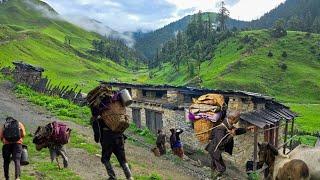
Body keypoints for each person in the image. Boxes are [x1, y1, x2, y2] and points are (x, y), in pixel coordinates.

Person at [90, 96, 133, 180]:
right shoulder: (115, 115)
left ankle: (112, 176)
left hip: (107, 139)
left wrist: (97, 139)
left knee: (105, 158)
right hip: (119, 137)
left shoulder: (98, 119)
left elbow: (97, 133)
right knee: (122, 159)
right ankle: (129, 176)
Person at [205, 111, 254, 179]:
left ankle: (212, 177)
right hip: (214, 150)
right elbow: (221, 143)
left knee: (214, 167)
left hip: (216, 150)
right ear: (233, 118)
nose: (238, 120)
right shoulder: (221, 128)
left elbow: (236, 131)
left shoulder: (228, 125)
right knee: (221, 168)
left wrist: (247, 129)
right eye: (238, 118)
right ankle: (214, 177)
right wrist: (231, 135)